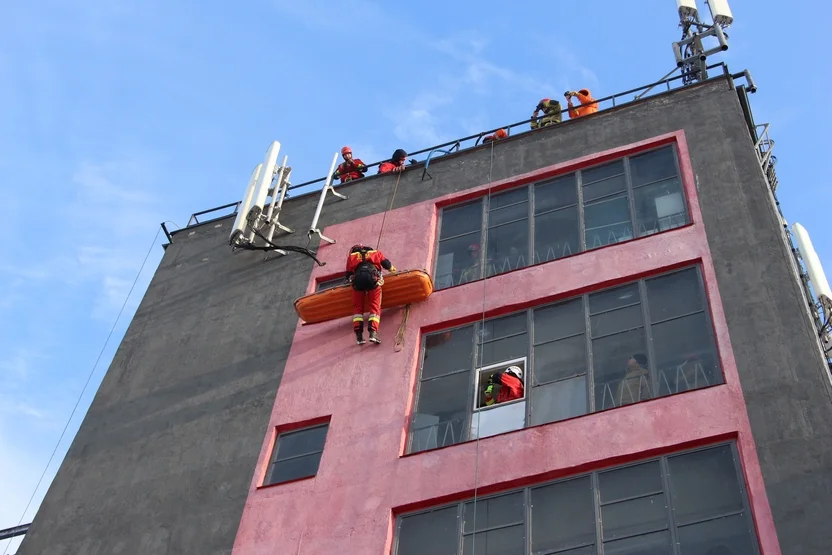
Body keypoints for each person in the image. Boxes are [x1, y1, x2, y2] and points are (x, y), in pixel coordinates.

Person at [345, 244, 396, 345]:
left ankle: (359, 336)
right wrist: (394, 271)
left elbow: (348, 275)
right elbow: (387, 264)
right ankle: (373, 333)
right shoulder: (375, 253)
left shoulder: (351, 257)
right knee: (375, 306)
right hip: (373, 280)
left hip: (357, 282)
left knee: (357, 309)